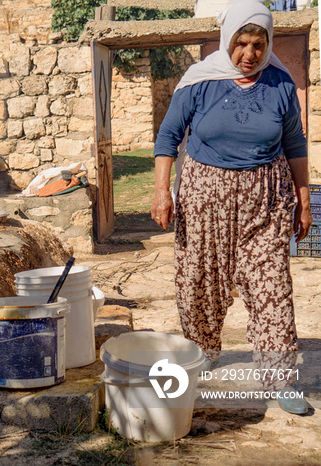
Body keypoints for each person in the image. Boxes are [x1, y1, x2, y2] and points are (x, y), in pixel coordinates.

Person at [152, 0, 312, 414]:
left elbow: (294, 143)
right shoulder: (200, 80)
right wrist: (161, 191)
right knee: (200, 283)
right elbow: (168, 136)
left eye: (258, 44)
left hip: (266, 202)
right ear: (228, 40)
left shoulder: (279, 82)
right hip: (205, 200)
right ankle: (202, 353)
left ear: (268, 43)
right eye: (241, 43)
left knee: (272, 288)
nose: (249, 54)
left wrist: (304, 199)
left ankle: (280, 377)